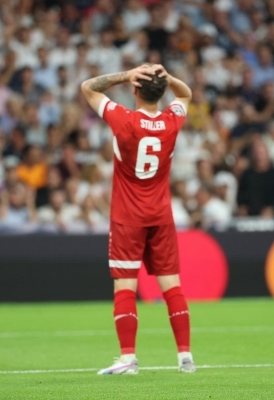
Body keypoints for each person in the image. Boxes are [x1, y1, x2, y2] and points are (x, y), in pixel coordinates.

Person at [80, 63, 195, 375]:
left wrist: (124, 74)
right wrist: (166, 77)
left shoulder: (124, 119)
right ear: (160, 91)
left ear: (135, 88)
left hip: (127, 217)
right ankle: (185, 357)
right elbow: (186, 94)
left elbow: (88, 87)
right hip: (160, 215)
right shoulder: (172, 121)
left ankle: (128, 358)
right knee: (172, 286)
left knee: (125, 287)